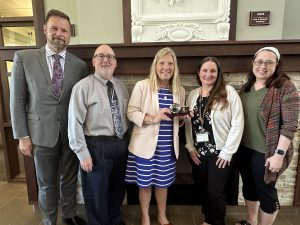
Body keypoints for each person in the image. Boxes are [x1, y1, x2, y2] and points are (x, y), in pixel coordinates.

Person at [9, 9, 88, 225]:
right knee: (46, 184)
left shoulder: (80, 66)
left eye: (64, 30)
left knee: (70, 180)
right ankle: (49, 220)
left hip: (70, 134)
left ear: (69, 34)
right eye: (54, 28)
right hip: (40, 135)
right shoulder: (24, 58)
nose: (59, 33)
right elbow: (17, 100)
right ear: (45, 30)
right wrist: (22, 135)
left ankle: (69, 216)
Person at [236, 47, 300, 225]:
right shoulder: (246, 87)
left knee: (266, 191)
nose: (262, 66)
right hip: (244, 148)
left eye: (269, 62)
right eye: (259, 61)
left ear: (277, 65)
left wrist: (279, 155)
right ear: (253, 64)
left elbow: (290, 125)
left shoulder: (285, 87)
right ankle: (251, 221)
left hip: (267, 152)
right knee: (249, 187)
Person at [68, 44, 129, 225]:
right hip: (96, 147)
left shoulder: (120, 86)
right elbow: (74, 122)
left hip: (120, 143)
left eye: (110, 57)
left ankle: (114, 220)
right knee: (96, 192)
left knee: (117, 188)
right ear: (93, 61)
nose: (105, 60)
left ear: (115, 63)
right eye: (100, 56)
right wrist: (82, 153)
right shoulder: (83, 87)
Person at [125, 47, 186, 225]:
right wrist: (154, 118)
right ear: (155, 65)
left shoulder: (179, 90)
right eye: (162, 63)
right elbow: (131, 112)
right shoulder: (142, 86)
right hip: (145, 146)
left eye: (170, 64)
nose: (166, 67)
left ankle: (161, 215)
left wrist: (181, 120)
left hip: (167, 146)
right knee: (144, 184)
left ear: (175, 68)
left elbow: (177, 120)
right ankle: (145, 216)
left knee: (163, 183)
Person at [185, 56, 244, 225]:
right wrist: (189, 147)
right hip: (199, 152)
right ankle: (208, 219)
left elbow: (238, 123)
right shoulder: (192, 95)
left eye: (213, 71)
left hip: (221, 153)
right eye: (205, 70)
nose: (208, 74)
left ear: (218, 74)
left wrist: (227, 152)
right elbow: (189, 124)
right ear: (198, 73)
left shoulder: (228, 92)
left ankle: (217, 221)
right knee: (203, 189)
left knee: (215, 192)